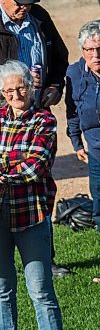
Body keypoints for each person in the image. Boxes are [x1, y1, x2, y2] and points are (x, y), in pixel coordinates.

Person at [0, 0, 69, 283]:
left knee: (37, 184)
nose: (26, 7)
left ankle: (43, 257)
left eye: (30, 2)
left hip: (34, 117)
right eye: (21, 2)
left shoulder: (39, 16)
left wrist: (54, 86)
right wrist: (14, 87)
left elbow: (59, 57)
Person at [0, 60, 63, 330]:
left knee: (41, 292)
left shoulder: (44, 120)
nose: (16, 95)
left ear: (30, 87)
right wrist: (16, 158)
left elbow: (36, 167)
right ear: (2, 92)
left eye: (21, 88)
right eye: (9, 90)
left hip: (31, 216)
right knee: (1, 290)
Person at [65, 20, 100, 232]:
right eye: (90, 50)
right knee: (98, 190)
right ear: (82, 50)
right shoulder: (75, 73)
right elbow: (72, 110)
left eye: (99, 49)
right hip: (94, 147)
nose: (96, 55)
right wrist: (76, 142)